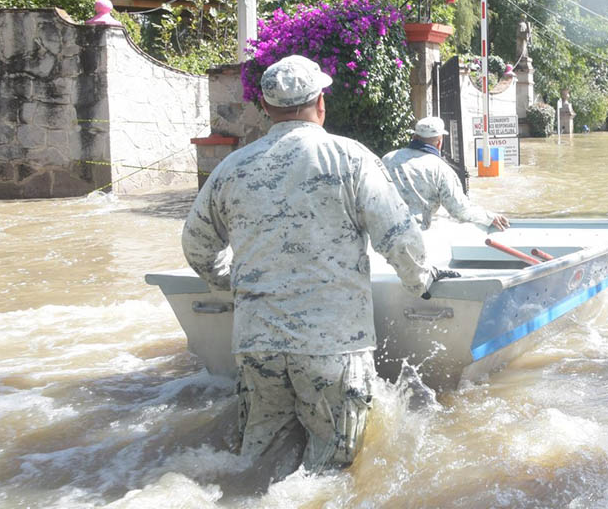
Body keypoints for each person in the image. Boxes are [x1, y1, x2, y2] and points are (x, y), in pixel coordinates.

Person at [181, 55, 455, 473]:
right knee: (330, 475)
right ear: (321, 103)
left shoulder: (231, 168)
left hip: (256, 345)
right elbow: (399, 238)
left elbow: (197, 245)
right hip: (332, 345)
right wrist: (422, 282)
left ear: (266, 109)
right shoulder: (349, 158)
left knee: (255, 465)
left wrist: (233, 282)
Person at [382, 117, 511, 231]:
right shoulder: (440, 169)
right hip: (416, 235)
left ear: (414, 137)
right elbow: (459, 210)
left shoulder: (387, 159)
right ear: (439, 142)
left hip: (384, 231)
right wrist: (489, 217)